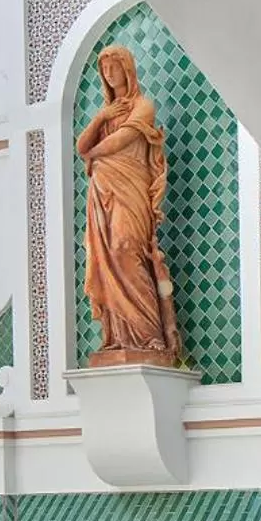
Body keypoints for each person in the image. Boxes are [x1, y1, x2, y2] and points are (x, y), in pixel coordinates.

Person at [76, 45, 182, 364]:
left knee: (126, 250)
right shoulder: (107, 113)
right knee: (106, 258)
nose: (109, 74)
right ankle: (119, 337)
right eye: (104, 69)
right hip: (102, 193)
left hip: (131, 190)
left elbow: (120, 141)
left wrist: (92, 154)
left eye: (114, 67)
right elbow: (81, 144)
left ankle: (150, 334)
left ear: (127, 69)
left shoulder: (143, 106)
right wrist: (101, 117)